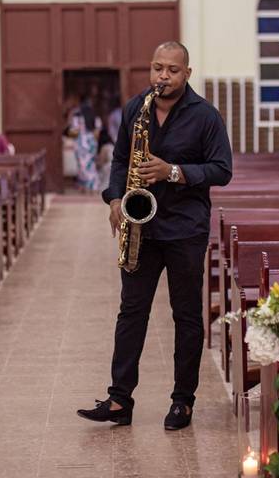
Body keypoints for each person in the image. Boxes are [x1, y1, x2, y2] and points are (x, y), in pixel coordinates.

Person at [77, 41, 233, 430]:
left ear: (187, 74)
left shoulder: (206, 116)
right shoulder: (136, 108)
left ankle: (183, 401)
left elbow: (222, 170)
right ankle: (119, 399)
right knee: (131, 313)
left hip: (185, 228)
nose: (163, 76)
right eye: (157, 68)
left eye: (172, 70)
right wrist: (114, 199)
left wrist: (174, 172)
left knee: (186, 316)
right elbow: (118, 159)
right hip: (141, 228)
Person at [69, 98, 102, 193]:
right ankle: (93, 186)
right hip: (91, 143)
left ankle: (89, 186)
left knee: (82, 166)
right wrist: (93, 144)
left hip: (80, 144)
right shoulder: (95, 118)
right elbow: (97, 133)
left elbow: (73, 132)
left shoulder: (77, 118)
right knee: (91, 165)